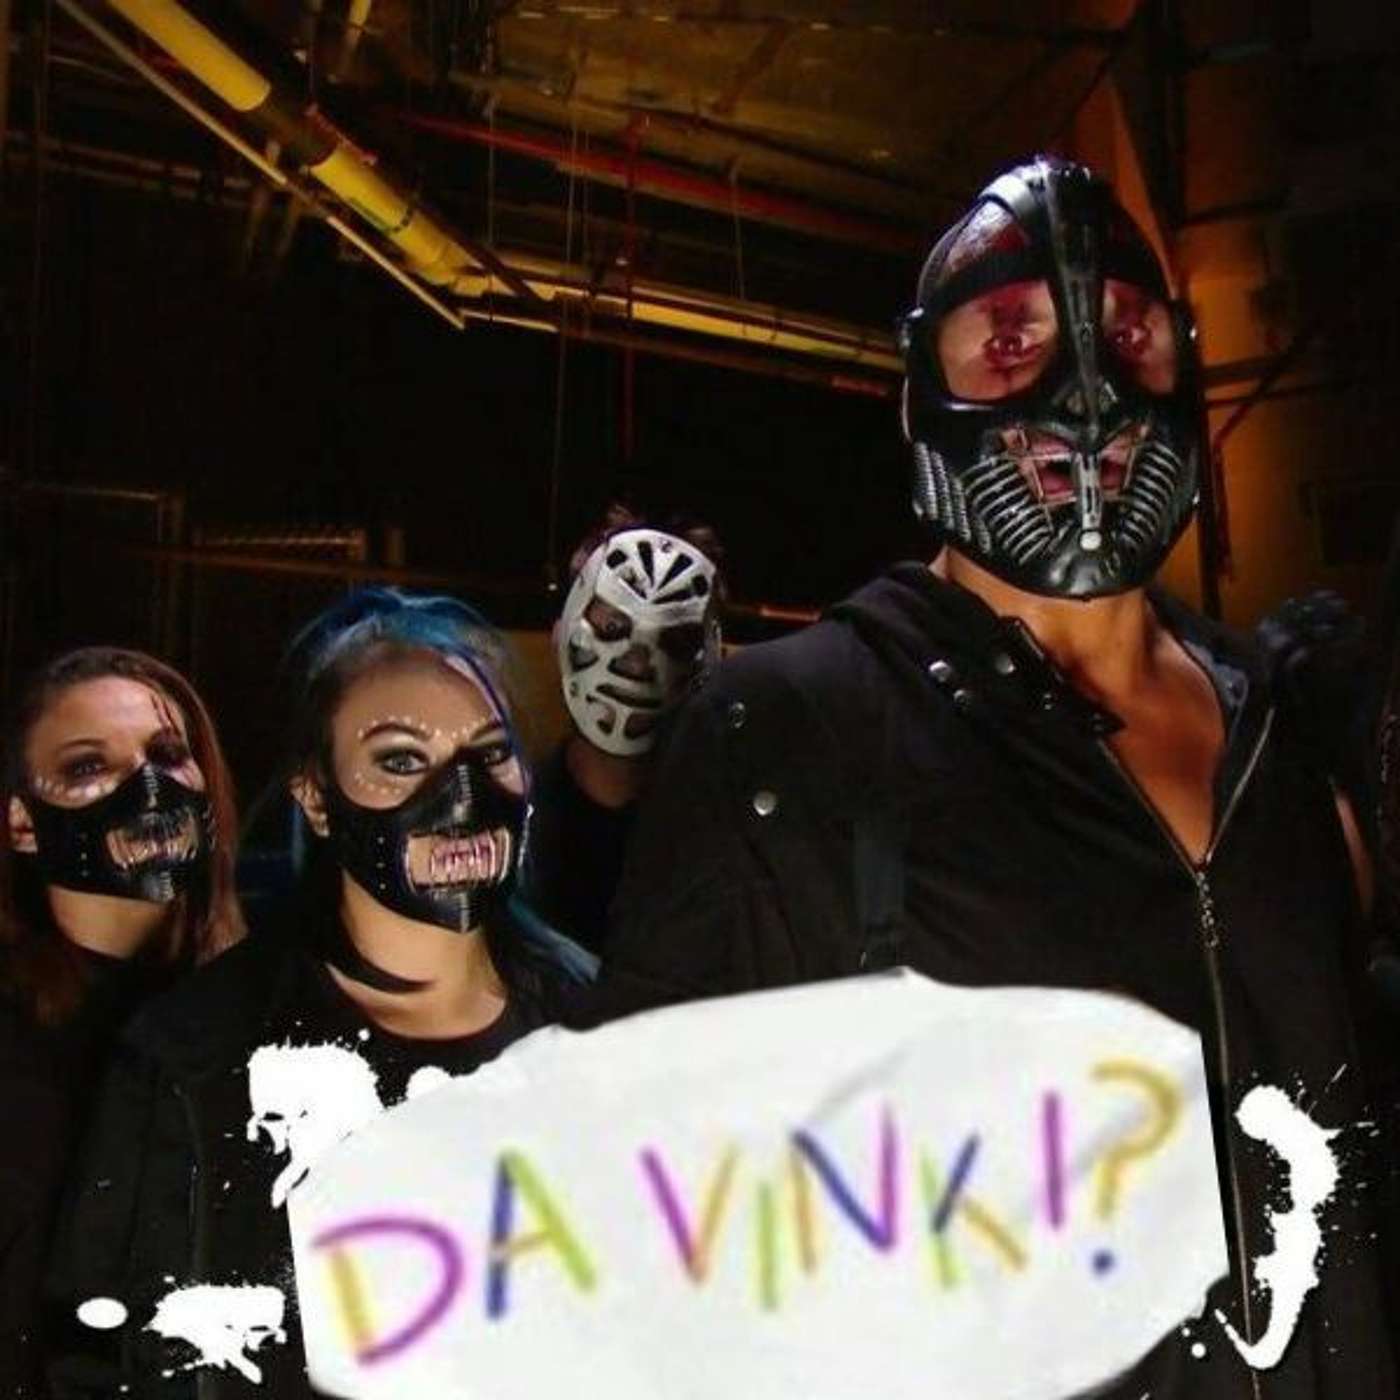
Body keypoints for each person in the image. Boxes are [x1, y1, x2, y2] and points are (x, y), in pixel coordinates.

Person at [595, 157, 1399, 1394]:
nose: (1083, 389)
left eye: (1123, 334)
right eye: (1010, 338)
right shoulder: (786, 737)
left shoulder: (1277, 729)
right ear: (921, 387)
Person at [45, 589, 591, 1398]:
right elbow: (93, 1353)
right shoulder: (195, 1056)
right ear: (316, 796)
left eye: (489, 753)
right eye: (401, 759)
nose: (463, 794)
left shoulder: (601, 1030)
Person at [0, 647, 241, 1398]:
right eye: (87, 766)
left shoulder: (251, 1005)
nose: (146, 786)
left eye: (167, 755)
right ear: (21, 822)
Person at [523, 504, 723, 955]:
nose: (636, 662)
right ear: (561, 632)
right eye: (613, 625)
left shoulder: (725, 846)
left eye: (672, 638)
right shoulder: (511, 830)